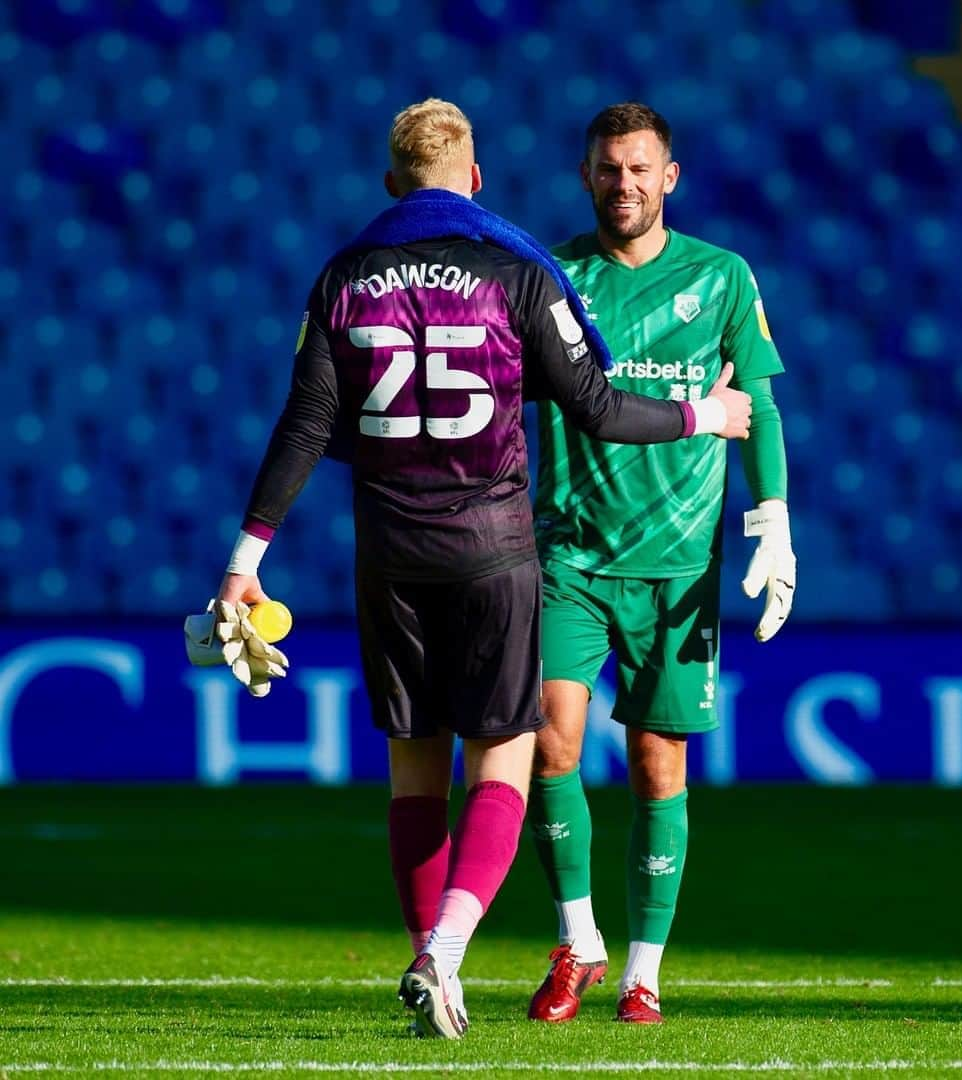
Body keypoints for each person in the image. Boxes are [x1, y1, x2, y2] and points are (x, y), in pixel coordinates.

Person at [210, 99, 752, 1039]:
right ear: (476, 180)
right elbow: (594, 405)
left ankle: (432, 967)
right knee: (503, 760)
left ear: (392, 186)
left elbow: (304, 424)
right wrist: (700, 417)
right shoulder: (517, 270)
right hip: (495, 554)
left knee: (412, 778)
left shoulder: (344, 274)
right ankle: (445, 955)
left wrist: (242, 562)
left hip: (389, 555)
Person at [527, 102, 796, 1025]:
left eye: (640, 168)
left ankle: (643, 972)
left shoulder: (722, 278)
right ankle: (578, 943)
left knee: (656, 764)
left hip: (680, 566)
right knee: (549, 737)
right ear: (586, 175)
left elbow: (756, 401)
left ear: (669, 176)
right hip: (568, 552)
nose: (625, 183)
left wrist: (773, 521)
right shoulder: (552, 278)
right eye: (609, 168)